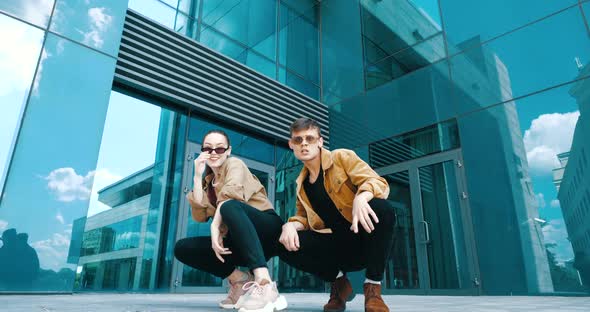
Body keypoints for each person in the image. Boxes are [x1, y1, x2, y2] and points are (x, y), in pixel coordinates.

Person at [278, 118, 396, 312]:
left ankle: (373, 288)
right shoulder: (301, 184)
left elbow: (378, 183)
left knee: (382, 208)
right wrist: (290, 225)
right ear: (291, 145)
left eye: (310, 138)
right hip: (337, 249)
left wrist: (361, 198)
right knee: (283, 243)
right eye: (298, 140)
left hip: (366, 240)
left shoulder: (341, 158)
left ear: (320, 141)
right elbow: (303, 218)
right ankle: (340, 284)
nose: (304, 144)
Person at [174, 130, 287, 312]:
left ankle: (265, 285)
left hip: (267, 230)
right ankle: (240, 282)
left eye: (220, 149)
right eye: (208, 148)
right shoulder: (208, 182)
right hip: (242, 240)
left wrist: (215, 226)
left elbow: (231, 197)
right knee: (183, 248)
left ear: (228, 150)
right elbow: (199, 215)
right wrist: (196, 176)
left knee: (229, 206)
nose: (213, 152)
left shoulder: (234, 164)